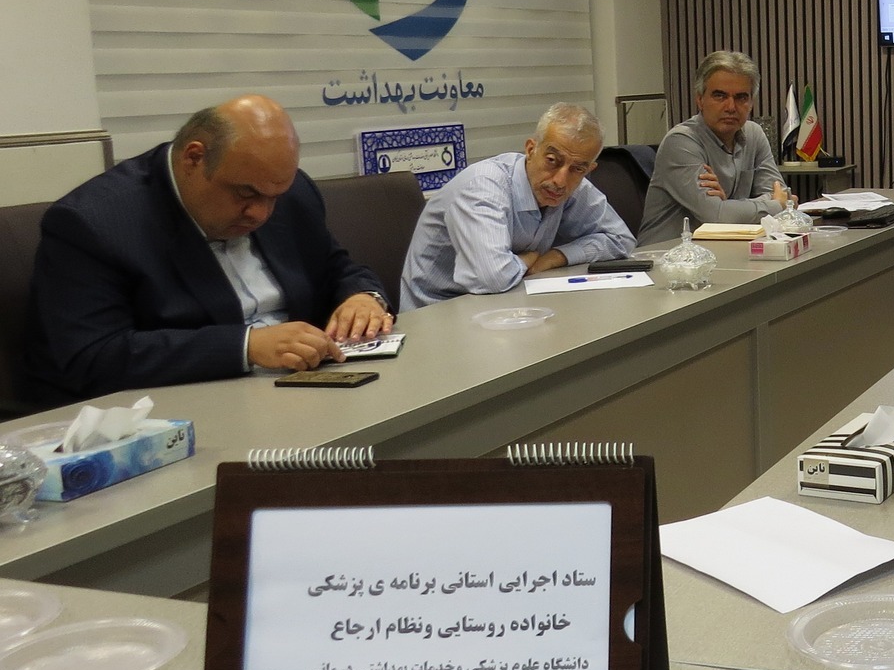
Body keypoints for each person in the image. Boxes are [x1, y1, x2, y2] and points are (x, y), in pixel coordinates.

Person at [26, 96, 391, 403]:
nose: (261, 213)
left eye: (274, 197)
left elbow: (336, 267)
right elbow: (93, 357)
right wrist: (246, 346)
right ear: (194, 159)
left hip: (309, 391)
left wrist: (362, 296)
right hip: (186, 407)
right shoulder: (93, 223)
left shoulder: (287, 191)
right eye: (246, 194)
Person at [398, 103, 636, 310]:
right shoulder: (483, 186)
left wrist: (556, 257)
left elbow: (621, 239)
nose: (560, 181)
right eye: (552, 161)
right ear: (531, 149)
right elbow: (492, 278)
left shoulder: (572, 184)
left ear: (588, 169)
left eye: (578, 169)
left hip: (508, 305)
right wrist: (529, 259)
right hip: (439, 314)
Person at [637, 50, 791, 246]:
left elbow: (785, 196)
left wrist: (728, 207)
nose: (731, 107)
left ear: (751, 103)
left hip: (724, 250)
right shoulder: (681, 141)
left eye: (741, 97)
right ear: (700, 100)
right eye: (720, 96)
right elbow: (717, 217)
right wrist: (775, 205)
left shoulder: (754, 134)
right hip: (666, 255)